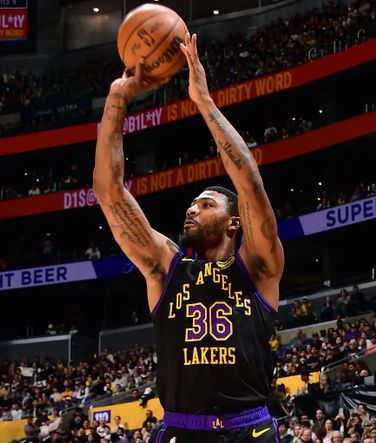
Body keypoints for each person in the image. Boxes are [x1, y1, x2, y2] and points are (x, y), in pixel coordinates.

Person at [93, 33, 284, 443]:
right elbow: (109, 193)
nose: (192, 209)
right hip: (182, 430)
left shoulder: (258, 267)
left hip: (248, 429)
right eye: (192, 204)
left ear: (234, 223)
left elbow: (249, 182)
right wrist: (116, 99)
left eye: (206, 204)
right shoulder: (167, 267)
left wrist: (204, 102)